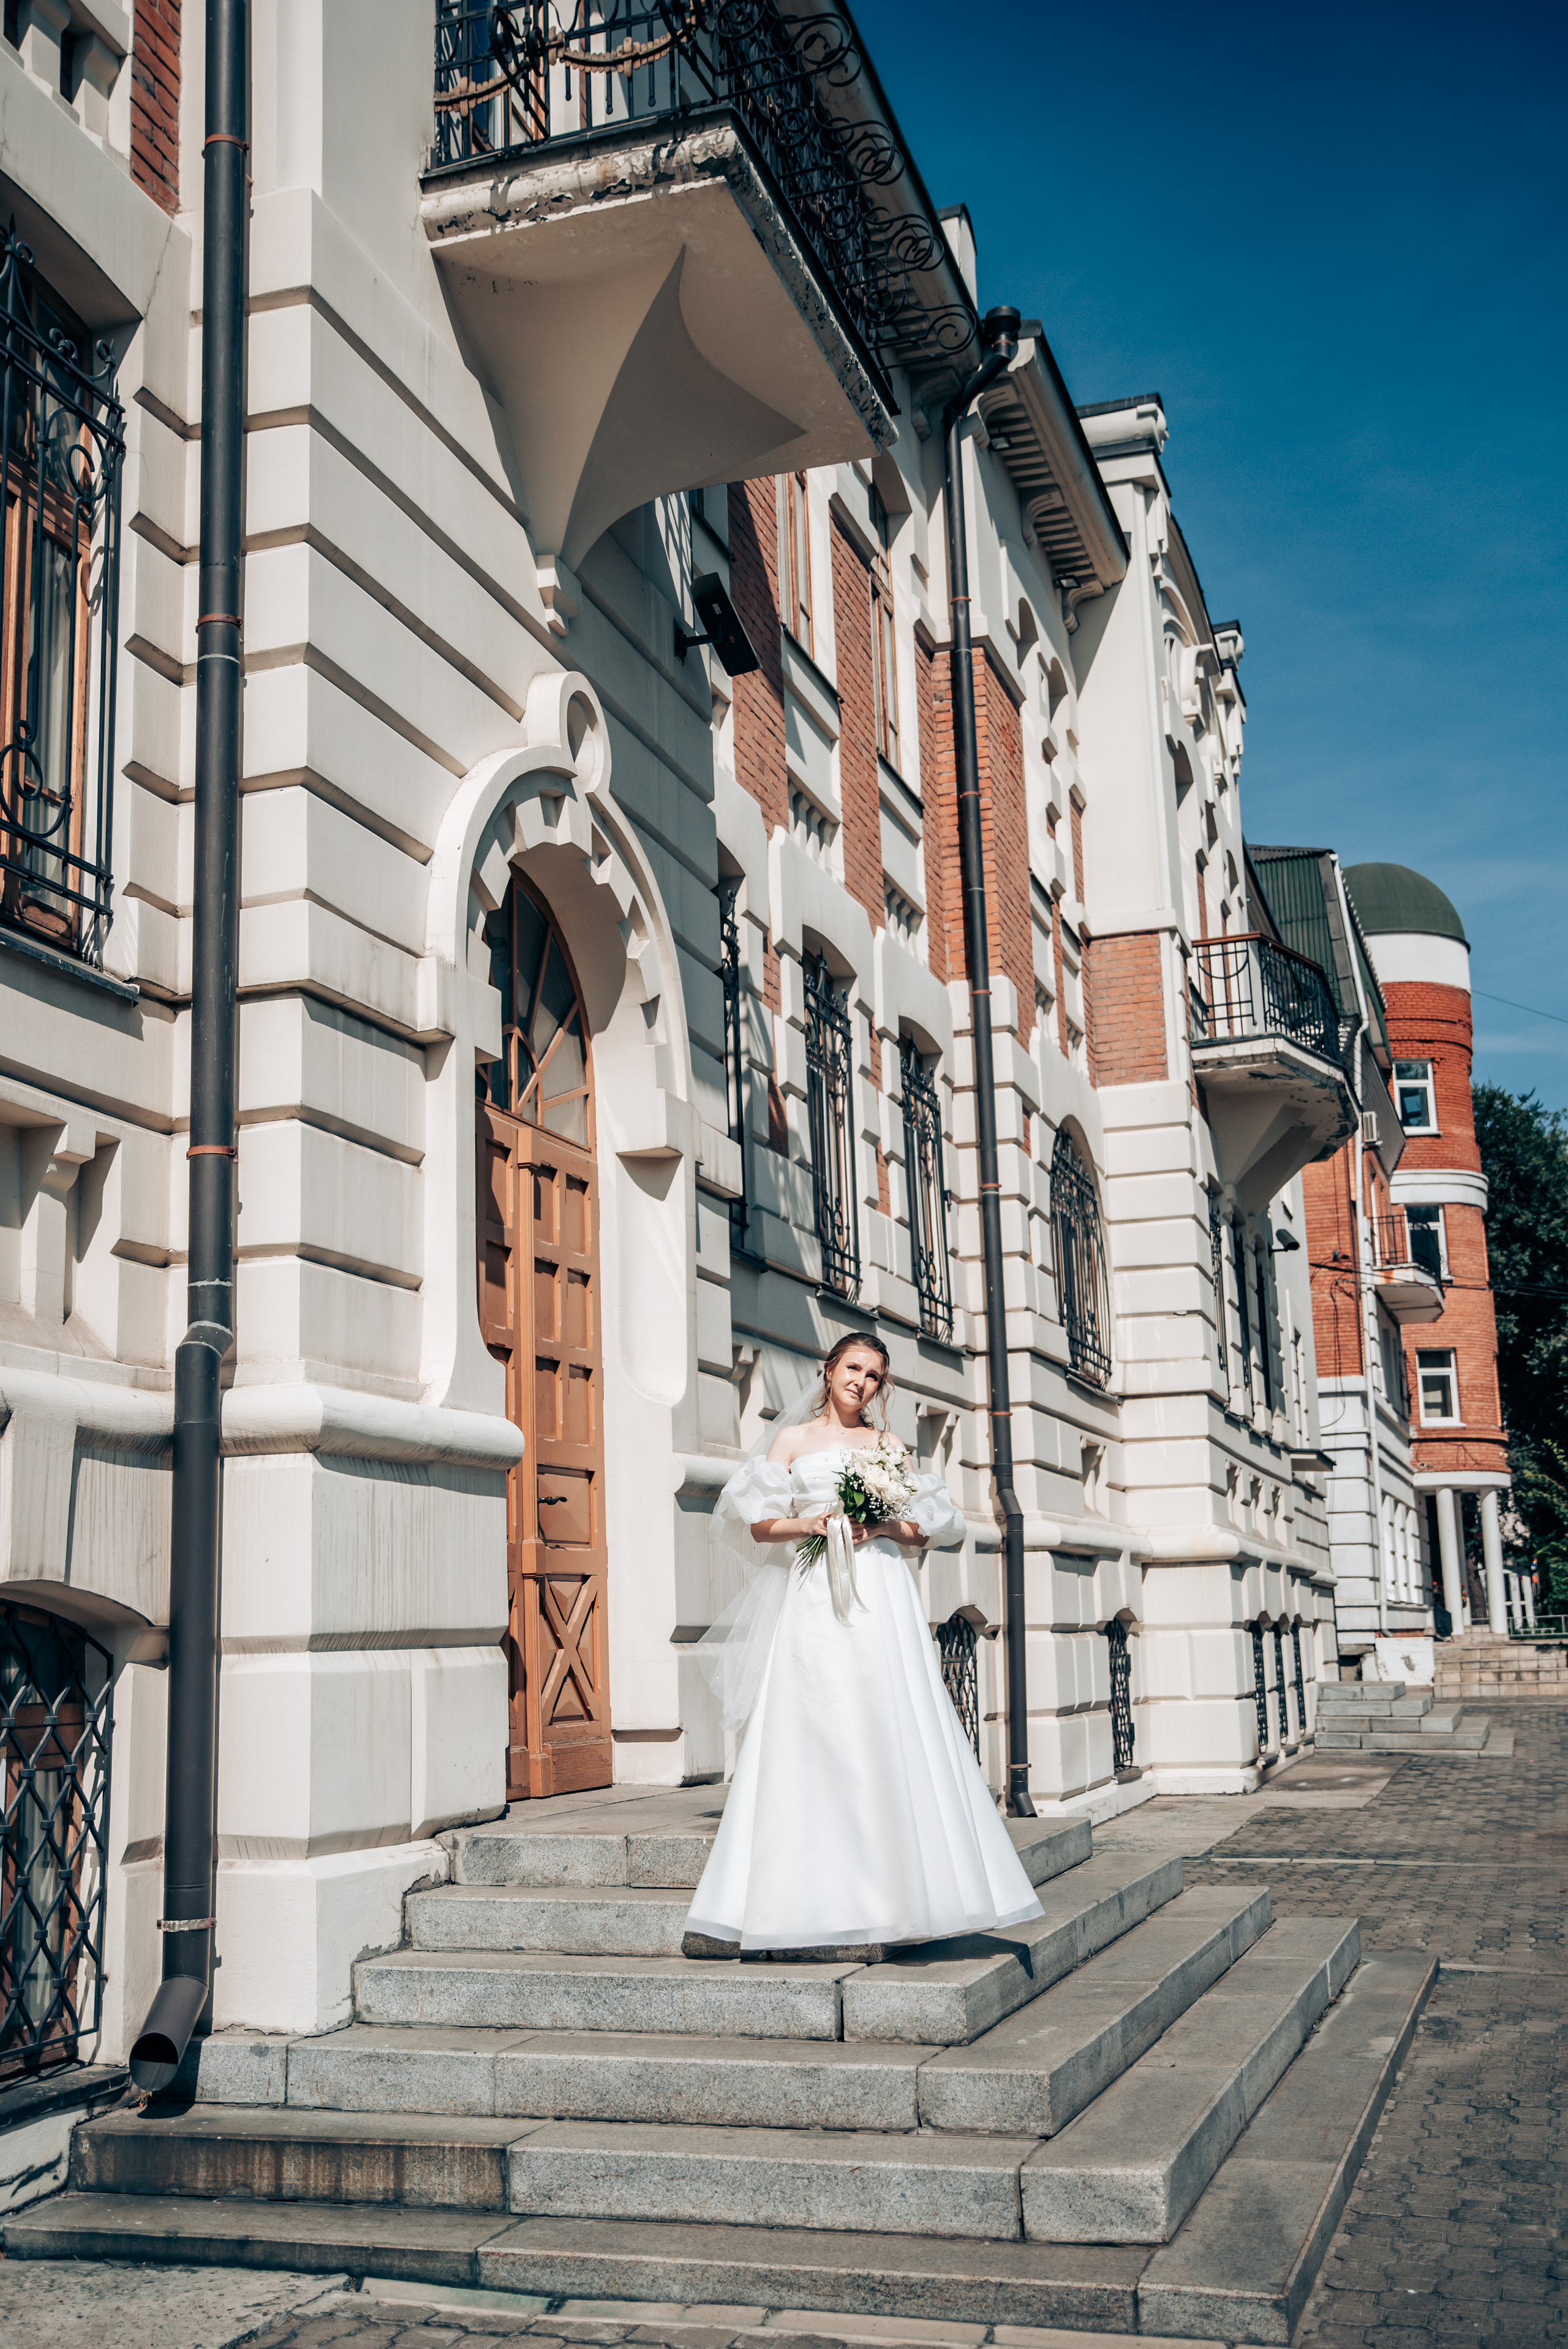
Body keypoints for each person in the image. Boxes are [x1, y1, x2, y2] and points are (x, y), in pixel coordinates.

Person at [686, 1333, 1044, 1951]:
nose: (862, 1382)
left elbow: (921, 1531)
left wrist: (876, 1524)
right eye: (853, 1368)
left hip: (878, 1587)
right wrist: (813, 1523)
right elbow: (761, 1525)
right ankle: (800, 1886)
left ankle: (899, 1888)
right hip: (814, 1586)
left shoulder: (887, 1446)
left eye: (874, 1375)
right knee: (811, 1714)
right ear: (829, 1370)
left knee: (884, 1713)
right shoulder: (790, 1440)